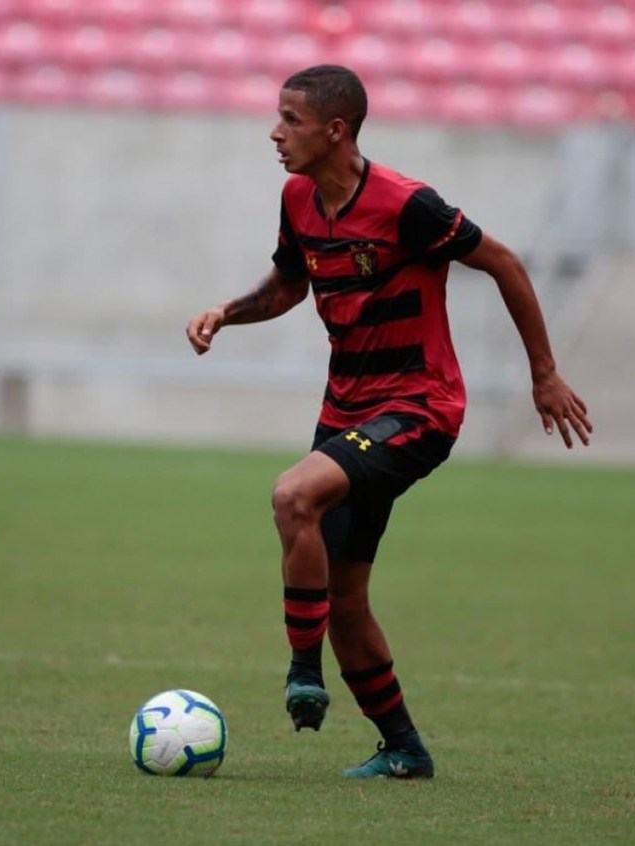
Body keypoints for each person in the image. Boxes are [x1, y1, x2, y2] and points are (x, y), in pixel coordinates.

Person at [185, 65, 592, 779]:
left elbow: (502, 262)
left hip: (420, 406)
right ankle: (404, 748)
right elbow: (289, 281)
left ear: (335, 130)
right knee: (344, 598)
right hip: (345, 412)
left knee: (292, 496)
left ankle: (301, 672)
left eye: (290, 119)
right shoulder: (298, 198)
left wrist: (544, 374)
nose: (275, 133)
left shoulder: (407, 205)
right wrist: (229, 312)